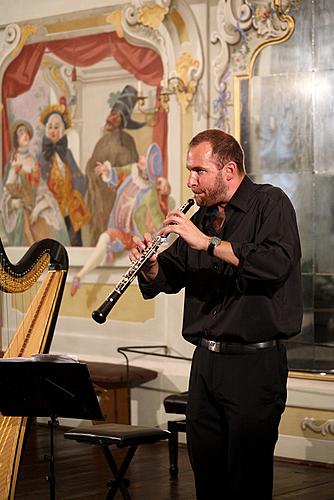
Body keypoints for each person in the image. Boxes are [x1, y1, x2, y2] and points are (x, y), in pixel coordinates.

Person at [130, 129, 303, 500]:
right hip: (206, 363)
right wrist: (150, 268)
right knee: (207, 475)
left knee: (247, 478)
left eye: (198, 171)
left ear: (228, 170)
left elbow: (275, 264)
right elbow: (171, 274)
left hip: (254, 365)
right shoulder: (202, 216)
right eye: (189, 171)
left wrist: (207, 243)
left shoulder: (270, 203)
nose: (190, 180)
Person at [71, 143, 170, 296]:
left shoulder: (150, 193)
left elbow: (156, 216)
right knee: (104, 237)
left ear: (149, 169)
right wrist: (107, 171)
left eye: (144, 159)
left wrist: (161, 237)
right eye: (142, 156)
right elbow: (118, 172)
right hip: (118, 228)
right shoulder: (132, 172)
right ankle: (79, 276)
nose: (140, 159)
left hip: (132, 236)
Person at [85, 84, 145, 246]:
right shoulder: (102, 141)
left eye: (115, 115)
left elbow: (131, 170)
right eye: (111, 113)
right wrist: (94, 172)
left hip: (118, 195)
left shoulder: (128, 142)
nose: (109, 119)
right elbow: (91, 166)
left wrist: (114, 176)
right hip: (100, 195)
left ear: (123, 119)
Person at [1, 119, 70, 246]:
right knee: (27, 223)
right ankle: (33, 254)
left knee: (50, 218)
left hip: (35, 203)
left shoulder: (33, 160)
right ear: (16, 139)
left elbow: (42, 188)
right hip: (22, 207)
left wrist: (40, 207)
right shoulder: (14, 162)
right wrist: (15, 203)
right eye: (21, 133)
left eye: (27, 133)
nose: (25, 135)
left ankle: (51, 255)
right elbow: (7, 192)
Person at [38, 98, 91, 246]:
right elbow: (38, 183)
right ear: (46, 130)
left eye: (57, 127)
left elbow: (78, 175)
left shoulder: (66, 153)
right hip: (51, 209)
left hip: (70, 207)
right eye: (50, 127)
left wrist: (77, 192)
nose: (54, 131)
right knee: (54, 245)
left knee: (74, 240)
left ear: (62, 130)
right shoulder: (42, 157)